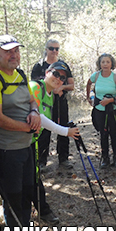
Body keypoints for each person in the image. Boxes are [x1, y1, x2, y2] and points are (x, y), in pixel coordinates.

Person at [0, 61, 80, 225]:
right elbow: (37, 117)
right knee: (10, 182)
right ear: (47, 72)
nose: (58, 79)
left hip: (27, 142)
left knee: (1, 180)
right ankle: (35, 214)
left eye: (62, 78)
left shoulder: (50, 94)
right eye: (56, 74)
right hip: (11, 143)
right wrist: (64, 131)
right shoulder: (35, 87)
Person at [0, 35, 41, 231]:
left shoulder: (20, 74)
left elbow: (32, 100)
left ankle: (24, 229)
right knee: (12, 194)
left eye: (16, 50)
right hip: (6, 149)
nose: (13, 54)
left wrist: (34, 112)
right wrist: (27, 127)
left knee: (26, 190)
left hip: (25, 146)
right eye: (7, 51)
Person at [30, 39, 76, 169]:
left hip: (60, 102)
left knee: (62, 125)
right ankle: (41, 160)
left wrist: (61, 88)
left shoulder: (63, 65)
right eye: (51, 48)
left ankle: (63, 158)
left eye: (57, 49)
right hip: (42, 101)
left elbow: (71, 85)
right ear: (46, 49)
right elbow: (35, 84)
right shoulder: (38, 66)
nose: (54, 51)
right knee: (43, 131)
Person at [86, 53, 116, 168]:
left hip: (112, 110)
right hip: (99, 109)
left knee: (113, 133)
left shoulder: (115, 77)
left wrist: (110, 100)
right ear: (99, 64)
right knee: (103, 133)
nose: (105, 64)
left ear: (111, 63)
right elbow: (88, 83)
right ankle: (105, 158)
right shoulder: (96, 76)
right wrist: (88, 97)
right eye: (103, 62)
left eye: (108, 62)